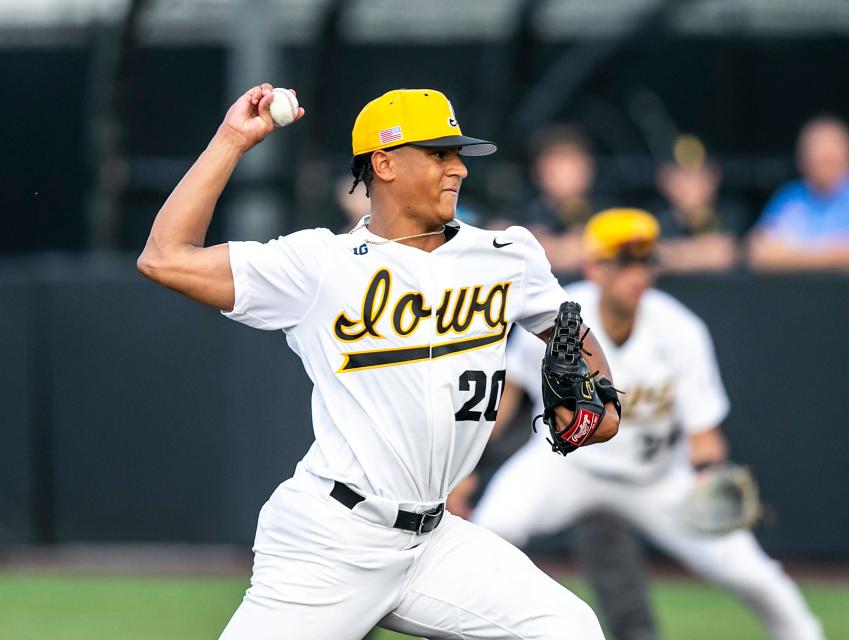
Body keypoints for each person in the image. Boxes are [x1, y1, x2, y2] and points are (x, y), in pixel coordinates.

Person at [136, 84, 621, 640]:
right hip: (333, 539)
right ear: (384, 163)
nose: (458, 168)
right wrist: (232, 139)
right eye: (438, 153)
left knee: (568, 629)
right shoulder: (319, 265)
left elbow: (569, 329)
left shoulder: (507, 254)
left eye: (458, 154)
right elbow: (165, 257)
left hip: (434, 541)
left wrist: (601, 391)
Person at [462, 208, 824, 640]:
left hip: (653, 480)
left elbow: (704, 436)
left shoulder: (679, 330)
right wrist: (464, 472)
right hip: (566, 465)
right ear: (596, 267)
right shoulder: (554, 316)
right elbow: (506, 401)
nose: (638, 274)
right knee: (488, 536)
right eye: (625, 261)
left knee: (757, 577)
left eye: (646, 261)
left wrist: (708, 473)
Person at [747, 115, 849, 272]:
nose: (821, 164)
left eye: (828, 159)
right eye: (814, 158)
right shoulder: (790, 196)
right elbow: (757, 248)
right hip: (793, 293)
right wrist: (824, 252)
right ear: (801, 160)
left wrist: (786, 256)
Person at [654, 135, 745, 272]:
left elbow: (725, 253)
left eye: (701, 174)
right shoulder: (654, 221)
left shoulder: (733, 214)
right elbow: (649, 258)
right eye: (684, 175)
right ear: (665, 180)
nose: (693, 184)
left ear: (715, 177)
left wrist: (671, 255)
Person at [522, 125, 601, 279]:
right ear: (539, 170)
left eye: (574, 160)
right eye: (559, 161)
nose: (568, 171)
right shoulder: (522, 214)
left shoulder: (607, 211)